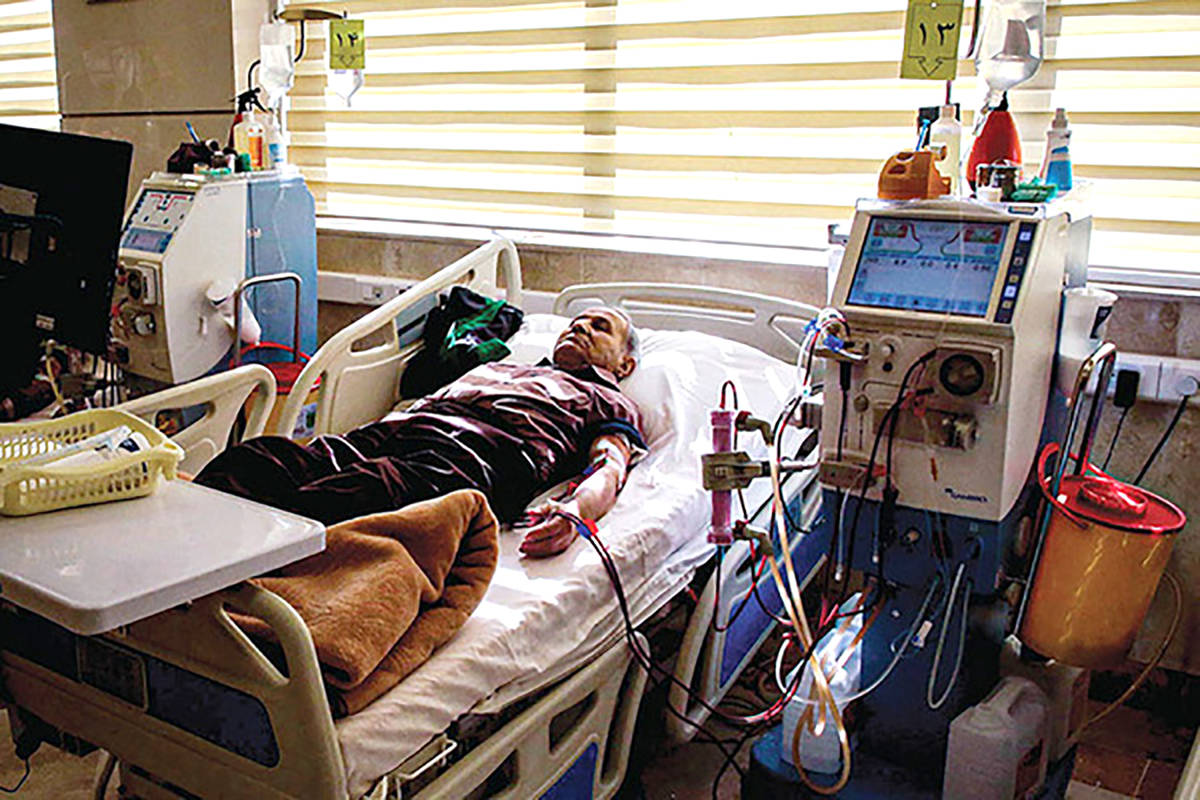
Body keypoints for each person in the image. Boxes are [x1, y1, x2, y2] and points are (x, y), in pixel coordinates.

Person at [195, 307, 646, 558]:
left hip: (473, 456)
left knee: (358, 492)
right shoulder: (502, 366)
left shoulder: (608, 400)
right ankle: (188, 558)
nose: (580, 327)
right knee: (257, 459)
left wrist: (576, 512)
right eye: (576, 322)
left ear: (624, 364)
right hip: (401, 429)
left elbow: (609, 465)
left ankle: (231, 572)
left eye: (599, 327)